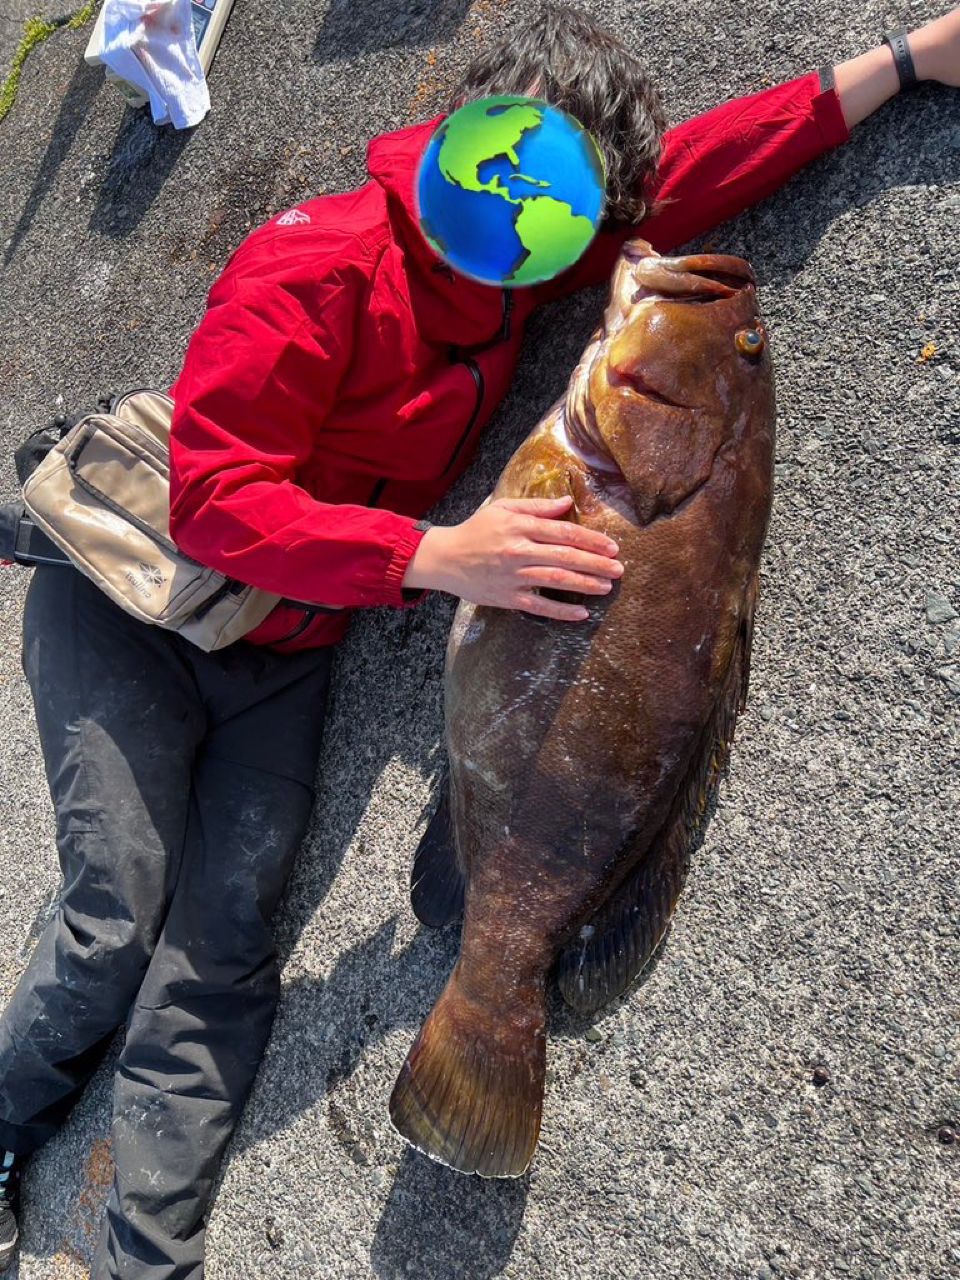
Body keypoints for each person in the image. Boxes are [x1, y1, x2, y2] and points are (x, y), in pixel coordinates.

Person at [0, 3, 958, 1275]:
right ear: (471, 130)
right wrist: (437, 554)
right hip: (134, 598)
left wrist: (903, 62)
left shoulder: (526, 241)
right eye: (517, 177)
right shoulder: (315, 264)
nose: (525, 222)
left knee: (226, 936)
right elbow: (213, 502)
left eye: (561, 211)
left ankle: (145, 1257)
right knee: (115, 901)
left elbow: (700, 170)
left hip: (286, 641)